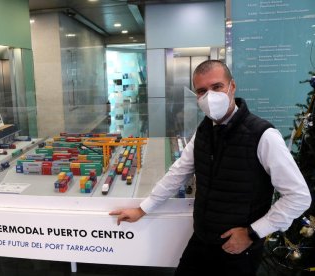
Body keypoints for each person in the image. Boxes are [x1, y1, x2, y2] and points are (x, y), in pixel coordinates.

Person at [109, 60, 312, 276]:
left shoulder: (263, 135)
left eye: (217, 87)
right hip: (202, 239)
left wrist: (253, 233)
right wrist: (142, 209)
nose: (209, 96)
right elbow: (178, 172)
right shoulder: (204, 132)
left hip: (239, 247)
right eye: (202, 91)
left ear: (232, 86)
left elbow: (298, 197)